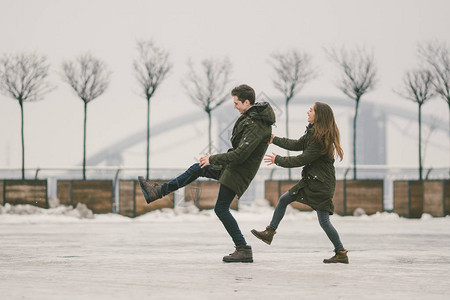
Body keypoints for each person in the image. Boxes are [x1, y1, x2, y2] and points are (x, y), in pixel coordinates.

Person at [138, 84, 276, 263]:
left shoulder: (256, 124)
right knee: (198, 167)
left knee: (221, 209)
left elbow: (241, 154)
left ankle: (243, 248)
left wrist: (214, 159)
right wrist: (213, 160)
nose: (234, 106)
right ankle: (158, 191)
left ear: (246, 102)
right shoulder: (251, 118)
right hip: (232, 167)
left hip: (238, 171)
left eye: (236, 103)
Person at [251, 102, 349, 264]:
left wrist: (278, 159)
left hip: (320, 185)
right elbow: (297, 145)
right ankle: (270, 233)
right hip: (313, 180)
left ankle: (341, 252)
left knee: (324, 221)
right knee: (284, 200)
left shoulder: (320, 138)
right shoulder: (314, 132)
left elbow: (302, 158)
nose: (307, 112)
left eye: (311, 110)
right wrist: (274, 139)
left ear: (319, 115)